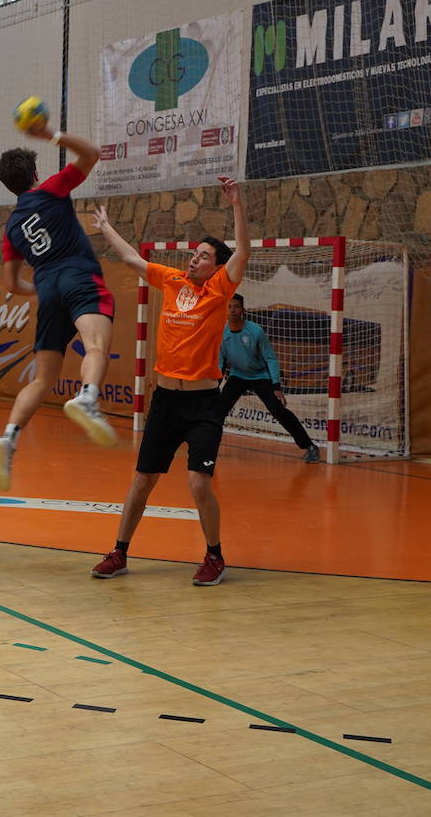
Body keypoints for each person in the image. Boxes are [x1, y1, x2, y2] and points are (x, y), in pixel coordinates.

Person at [89, 176, 251, 586]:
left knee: (199, 482)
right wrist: (106, 227)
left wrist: (236, 203)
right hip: (165, 400)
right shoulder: (173, 280)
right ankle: (119, 552)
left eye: (202, 255)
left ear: (217, 266)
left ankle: (214, 556)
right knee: (142, 480)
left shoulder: (219, 290)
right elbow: (132, 260)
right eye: (194, 254)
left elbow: (244, 251)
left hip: (202, 406)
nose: (194, 260)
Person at [0, 125, 115, 491]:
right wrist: (50, 135)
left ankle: (8, 437)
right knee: (95, 346)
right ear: (35, 175)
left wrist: (41, 290)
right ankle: (88, 398)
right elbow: (91, 153)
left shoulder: (11, 228)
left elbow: (11, 284)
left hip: (48, 287)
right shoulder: (50, 189)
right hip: (79, 276)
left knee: (43, 378)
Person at [219, 294, 320, 463]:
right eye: (229, 307)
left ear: (243, 310)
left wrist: (276, 385)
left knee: (279, 411)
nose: (232, 310)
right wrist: (216, 383)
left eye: (236, 306)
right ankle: (210, 446)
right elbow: (221, 360)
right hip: (237, 375)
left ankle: (310, 447)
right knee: (217, 411)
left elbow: (270, 358)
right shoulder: (221, 332)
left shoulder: (255, 331)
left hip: (260, 376)